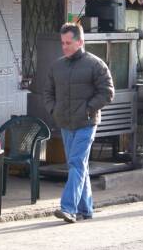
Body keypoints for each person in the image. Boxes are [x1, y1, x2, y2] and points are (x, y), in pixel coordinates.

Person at [44, 23, 114, 223]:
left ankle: (68, 208)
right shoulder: (56, 66)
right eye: (62, 43)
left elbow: (108, 92)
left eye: (68, 43)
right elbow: (47, 92)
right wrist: (54, 110)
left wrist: (88, 109)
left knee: (75, 163)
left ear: (80, 42)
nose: (64, 47)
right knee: (78, 165)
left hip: (86, 122)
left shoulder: (95, 64)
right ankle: (86, 208)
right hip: (65, 123)